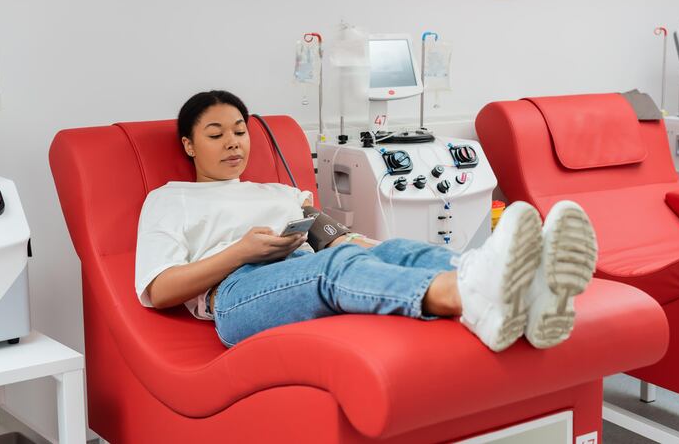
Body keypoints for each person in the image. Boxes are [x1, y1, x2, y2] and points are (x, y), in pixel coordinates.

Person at [134, 90, 598, 352]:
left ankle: (528, 291)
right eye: (215, 135)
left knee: (391, 248)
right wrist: (241, 251)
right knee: (333, 271)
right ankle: (472, 295)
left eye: (240, 131)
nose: (233, 143)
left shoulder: (279, 194)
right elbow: (158, 291)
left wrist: (377, 249)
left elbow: (333, 239)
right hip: (236, 294)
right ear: (189, 145)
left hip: (297, 264)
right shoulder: (171, 200)